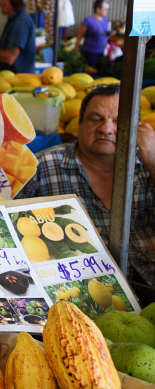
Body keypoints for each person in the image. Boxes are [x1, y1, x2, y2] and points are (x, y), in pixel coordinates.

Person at [19, 84, 155, 286]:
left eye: (118, 121)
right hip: (79, 289)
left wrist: (152, 159)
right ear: (79, 125)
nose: (106, 129)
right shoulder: (41, 167)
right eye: (95, 119)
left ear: (136, 126)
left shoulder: (148, 161)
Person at [75, 0, 114, 66]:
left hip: (102, 51)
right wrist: (75, 50)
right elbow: (79, 36)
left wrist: (110, 34)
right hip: (90, 53)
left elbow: (105, 35)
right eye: (105, 9)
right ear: (98, 9)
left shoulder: (105, 20)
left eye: (108, 9)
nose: (107, 11)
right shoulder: (88, 21)